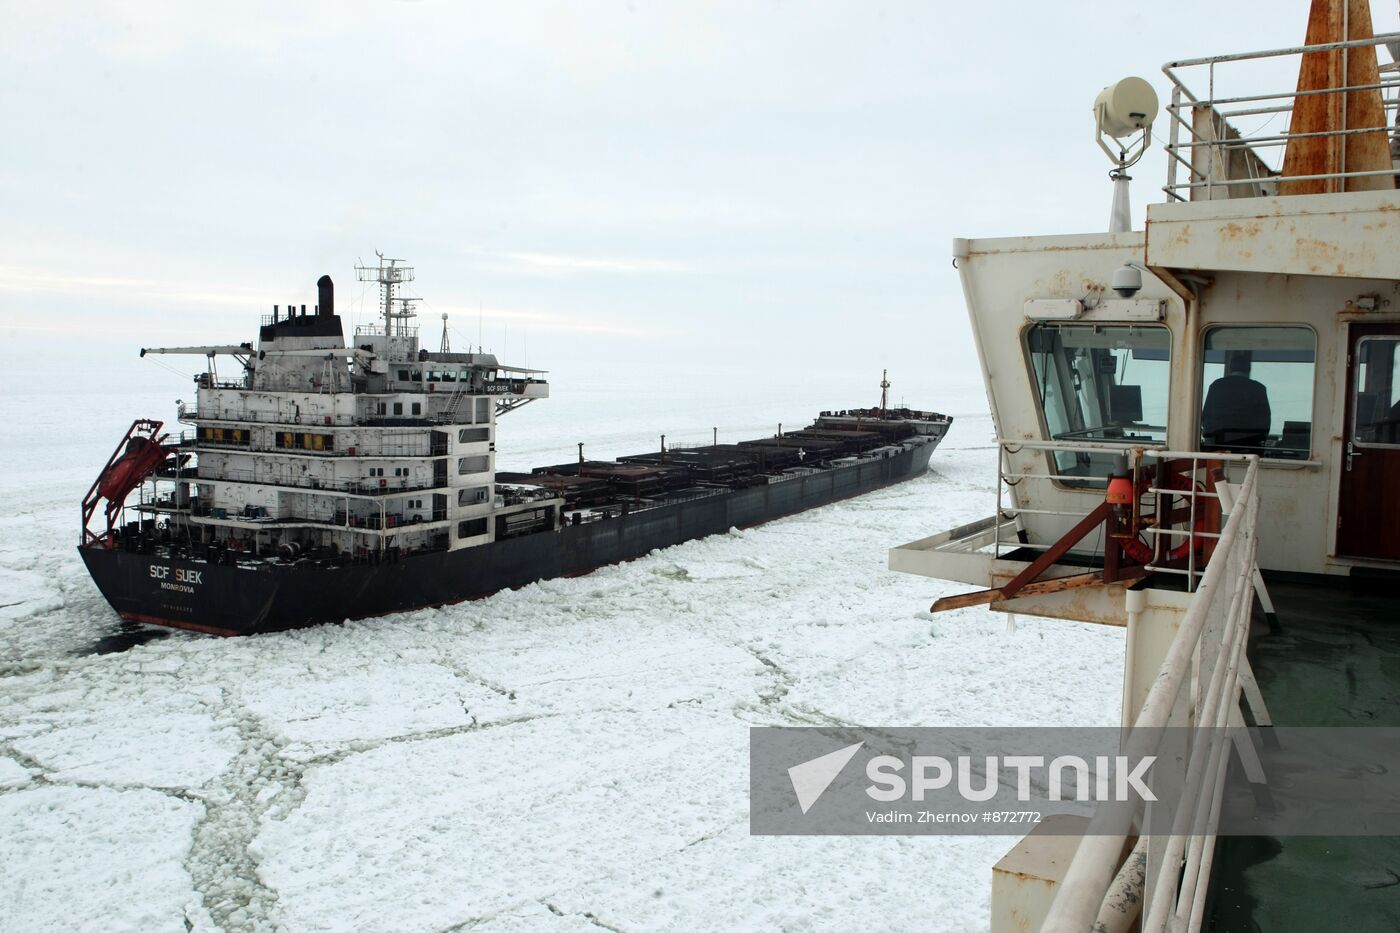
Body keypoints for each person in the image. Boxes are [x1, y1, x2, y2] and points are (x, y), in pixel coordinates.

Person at [1202, 356, 1271, 450]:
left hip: (1218, 444)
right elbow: (1265, 420)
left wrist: (1209, 440)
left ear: (1230, 368)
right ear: (1249, 369)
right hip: (1248, 445)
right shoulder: (1258, 388)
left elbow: (1206, 415)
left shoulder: (1216, 386)